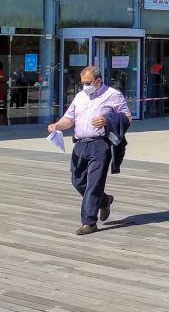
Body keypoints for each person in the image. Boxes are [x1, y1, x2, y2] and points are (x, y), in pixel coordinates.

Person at [46, 66, 131, 235]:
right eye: (83, 83)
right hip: (80, 144)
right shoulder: (79, 97)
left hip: (100, 144)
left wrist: (107, 120)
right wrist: (57, 126)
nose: (85, 86)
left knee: (94, 183)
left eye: (88, 83)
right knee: (77, 181)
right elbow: (69, 119)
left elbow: (127, 116)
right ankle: (104, 200)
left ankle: (89, 222)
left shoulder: (113, 95)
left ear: (98, 81)